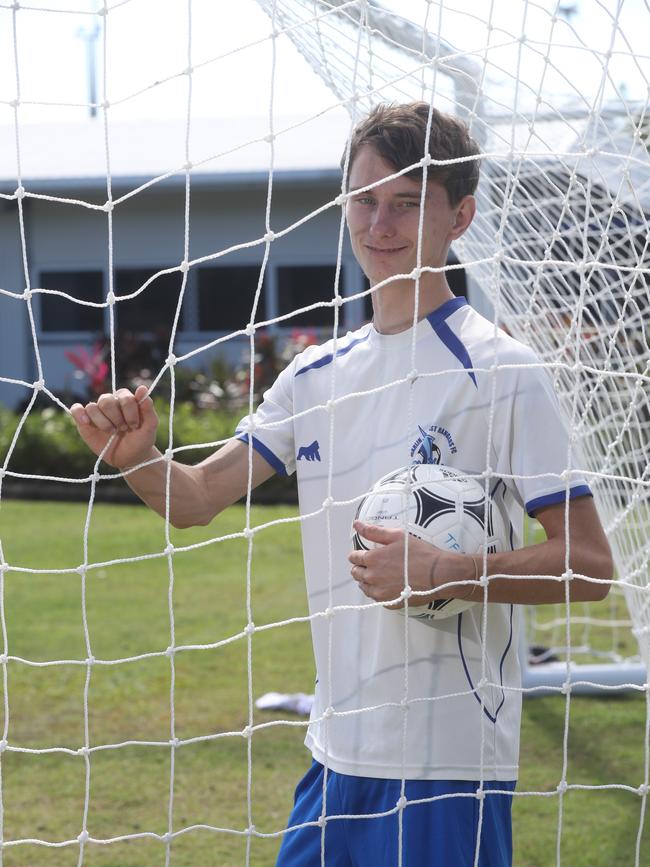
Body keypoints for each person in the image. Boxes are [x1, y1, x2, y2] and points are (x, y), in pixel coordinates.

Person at [70, 102, 613, 867]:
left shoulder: (503, 372)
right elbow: (195, 497)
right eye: (365, 200)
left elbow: (589, 564)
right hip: (334, 758)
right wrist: (136, 456)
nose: (379, 222)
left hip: (446, 770)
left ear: (460, 217)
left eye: (407, 202)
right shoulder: (315, 376)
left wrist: (446, 571)